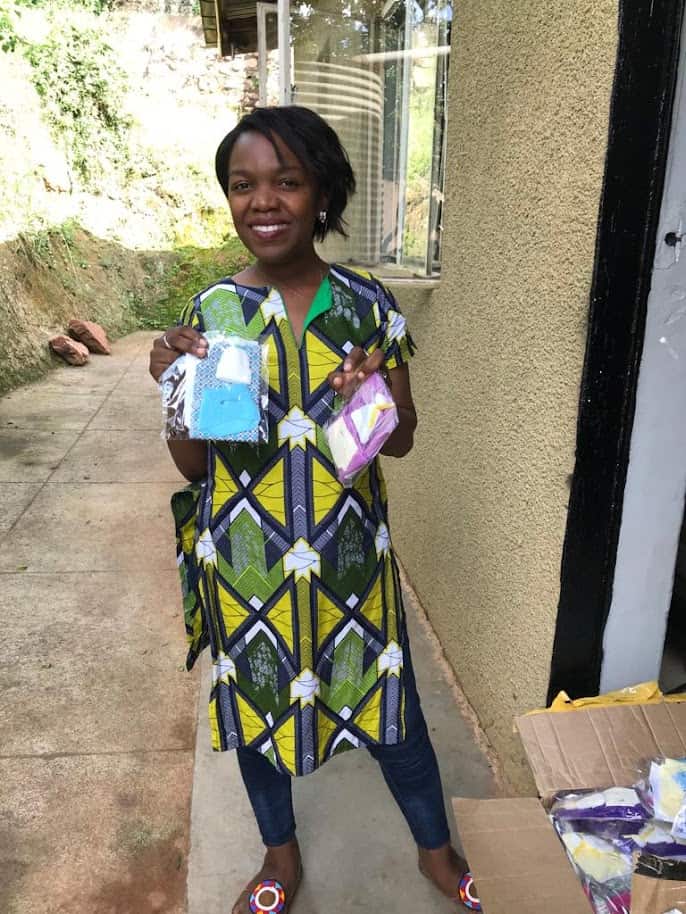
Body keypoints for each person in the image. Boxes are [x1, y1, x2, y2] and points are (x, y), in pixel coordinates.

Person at [149, 105, 468, 914]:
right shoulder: (212, 312)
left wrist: (371, 398)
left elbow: (399, 444)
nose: (264, 201)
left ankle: (437, 853)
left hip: (351, 562)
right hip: (246, 566)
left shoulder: (367, 305)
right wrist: (172, 390)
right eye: (243, 185)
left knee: (394, 715)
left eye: (287, 182)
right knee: (256, 715)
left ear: (321, 193)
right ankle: (280, 859)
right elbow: (193, 466)